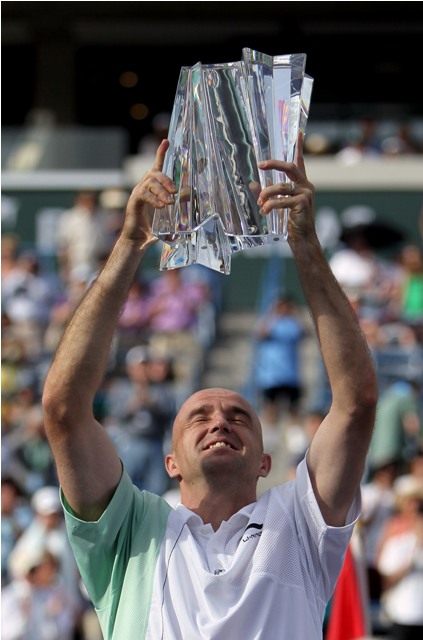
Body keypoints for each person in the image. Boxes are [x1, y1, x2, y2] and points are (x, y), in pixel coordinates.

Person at [42, 138, 378, 640]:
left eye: (240, 416)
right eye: (198, 417)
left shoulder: (298, 524)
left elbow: (355, 404)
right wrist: (130, 243)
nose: (220, 420)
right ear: (170, 463)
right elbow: (64, 409)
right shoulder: (133, 529)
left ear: (265, 463)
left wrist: (305, 243)